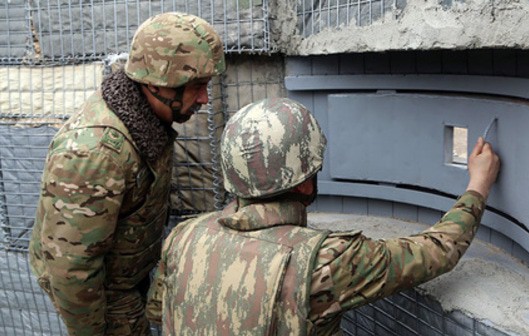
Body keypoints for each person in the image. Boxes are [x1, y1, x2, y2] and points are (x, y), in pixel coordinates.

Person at [146, 97, 500, 335]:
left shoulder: (183, 237)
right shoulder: (325, 261)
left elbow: (157, 313)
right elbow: (438, 250)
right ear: (304, 183)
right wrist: (479, 184)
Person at [28, 12, 225, 336]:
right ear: (156, 83)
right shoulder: (95, 153)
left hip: (126, 280)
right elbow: (70, 270)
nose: (204, 98)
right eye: (196, 86)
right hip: (101, 298)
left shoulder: (145, 117)